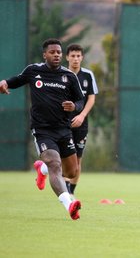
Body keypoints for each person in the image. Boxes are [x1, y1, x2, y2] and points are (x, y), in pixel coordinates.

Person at [0, 38, 84, 220]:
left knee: (71, 172)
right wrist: (4, 83)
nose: (57, 55)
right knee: (55, 163)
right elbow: (15, 81)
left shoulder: (69, 76)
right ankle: (69, 204)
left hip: (63, 129)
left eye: (59, 53)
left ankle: (42, 170)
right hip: (42, 130)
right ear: (44, 54)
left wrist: (74, 107)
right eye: (53, 52)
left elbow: (80, 101)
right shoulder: (33, 71)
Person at [34, 44, 98, 198]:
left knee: (77, 161)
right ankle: (64, 189)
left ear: (82, 57)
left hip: (81, 123)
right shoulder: (60, 74)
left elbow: (90, 98)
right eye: (73, 56)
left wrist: (81, 115)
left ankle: (70, 190)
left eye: (78, 56)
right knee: (59, 159)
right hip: (61, 124)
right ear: (67, 57)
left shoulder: (88, 75)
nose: (76, 59)